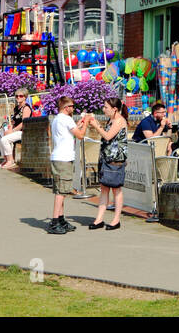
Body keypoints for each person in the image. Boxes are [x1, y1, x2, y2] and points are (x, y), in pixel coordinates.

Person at [48, 96, 91, 234]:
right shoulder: (66, 119)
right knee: (61, 192)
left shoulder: (57, 119)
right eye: (72, 106)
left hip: (58, 157)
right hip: (63, 158)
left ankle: (60, 219)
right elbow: (80, 135)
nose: (73, 108)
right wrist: (86, 123)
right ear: (66, 108)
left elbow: (68, 132)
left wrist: (78, 124)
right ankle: (55, 222)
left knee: (62, 189)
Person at [87, 97, 129, 230]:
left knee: (116, 189)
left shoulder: (119, 121)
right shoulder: (111, 119)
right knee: (104, 188)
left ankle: (116, 219)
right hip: (106, 158)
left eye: (106, 107)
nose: (104, 109)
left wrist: (96, 125)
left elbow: (108, 136)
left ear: (114, 109)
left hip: (116, 160)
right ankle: (99, 219)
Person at [0, 87, 33, 169]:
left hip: (23, 131)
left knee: (4, 140)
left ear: (25, 97)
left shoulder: (26, 108)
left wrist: (12, 131)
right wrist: (8, 129)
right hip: (15, 130)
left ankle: (10, 161)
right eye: (16, 96)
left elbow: (24, 123)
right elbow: (13, 121)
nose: (18, 98)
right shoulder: (16, 108)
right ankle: (5, 159)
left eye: (20, 96)